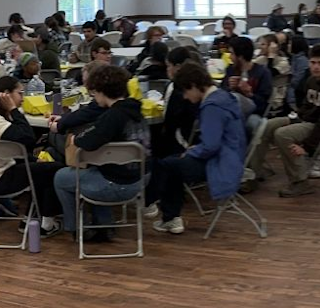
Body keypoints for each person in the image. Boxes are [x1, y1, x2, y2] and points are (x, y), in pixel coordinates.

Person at [147, 63, 248, 235]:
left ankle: (160, 211)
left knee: (166, 165)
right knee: (173, 163)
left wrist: (192, 151)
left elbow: (210, 146)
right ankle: (169, 216)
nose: (185, 97)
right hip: (233, 157)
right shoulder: (224, 97)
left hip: (221, 163)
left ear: (193, 86)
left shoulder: (211, 107)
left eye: (186, 92)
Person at [53, 64, 148, 239]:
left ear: (102, 91)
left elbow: (87, 142)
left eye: (95, 94)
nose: (95, 98)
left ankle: (77, 229)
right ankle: (105, 225)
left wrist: (75, 138)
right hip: (139, 181)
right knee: (97, 169)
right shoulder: (136, 111)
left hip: (116, 184)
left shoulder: (112, 116)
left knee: (61, 177)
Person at [263, 44, 320, 196]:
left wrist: (308, 147)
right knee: (269, 125)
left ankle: (300, 181)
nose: (316, 67)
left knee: (282, 134)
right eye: (313, 62)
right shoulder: (311, 80)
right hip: (308, 120)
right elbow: (305, 108)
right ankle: (255, 171)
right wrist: (295, 118)